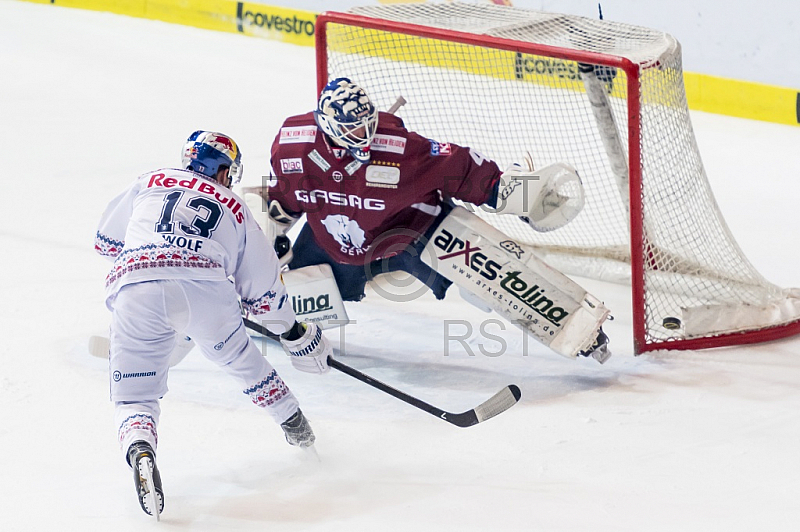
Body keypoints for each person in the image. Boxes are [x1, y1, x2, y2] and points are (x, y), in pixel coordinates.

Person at [263, 78, 610, 362]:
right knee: (285, 304)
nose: (364, 137)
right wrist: (270, 238)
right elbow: (285, 198)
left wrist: (510, 192)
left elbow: (461, 168)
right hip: (333, 244)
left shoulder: (401, 151)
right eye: (353, 132)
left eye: (367, 125)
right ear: (328, 128)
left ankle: (579, 330)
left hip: (411, 233)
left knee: (487, 282)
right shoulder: (294, 146)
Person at [94, 131, 332, 519]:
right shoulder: (236, 207)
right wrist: (293, 332)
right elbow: (265, 292)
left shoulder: (149, 180)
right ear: (224, 171)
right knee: (248, 367)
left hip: (135, 287)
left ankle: (140, 447)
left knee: (135, 397)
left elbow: (106, 242)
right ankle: (303, 437)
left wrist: (155, 257)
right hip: (205, 291)